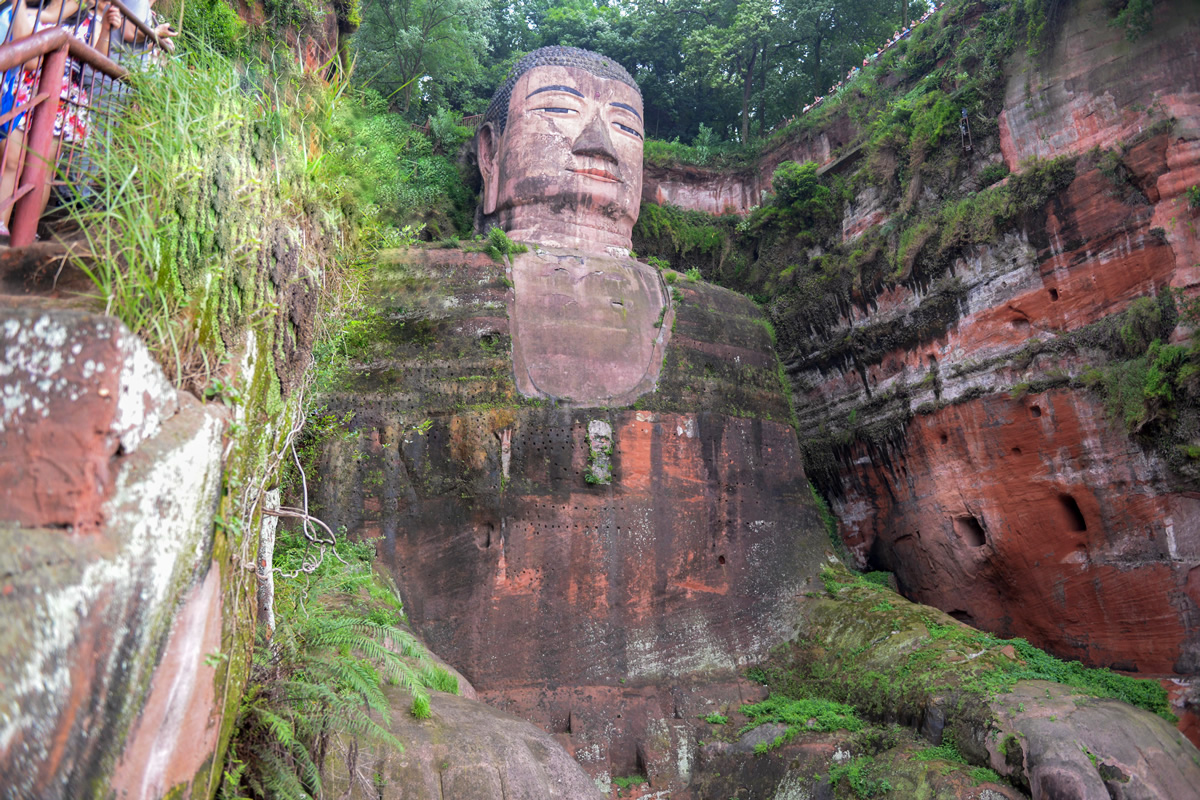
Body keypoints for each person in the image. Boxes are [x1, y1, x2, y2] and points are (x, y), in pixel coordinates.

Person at [473, 46, 671, 406]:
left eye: (625, 127)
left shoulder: (724, 319)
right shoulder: (436, 284)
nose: (599, 144)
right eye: (559, 109)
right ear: (490, 152)